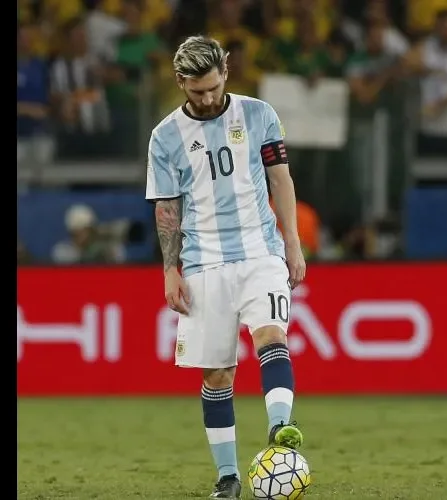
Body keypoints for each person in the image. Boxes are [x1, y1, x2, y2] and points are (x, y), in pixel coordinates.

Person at [145, 35, 306, 499]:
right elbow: (167, 208)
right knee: (217, 374)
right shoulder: (165, 136)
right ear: (181, 82)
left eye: (214, 87)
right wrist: (170, 270)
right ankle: (228, 477)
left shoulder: (259, 115)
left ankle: (280, 430)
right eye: (197, 91)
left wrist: (292, 243)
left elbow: (280, 180)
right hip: (203, 262)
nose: (208, 98)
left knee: (272, 335)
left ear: (226, 72)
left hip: (260, 250)